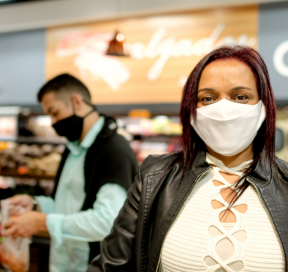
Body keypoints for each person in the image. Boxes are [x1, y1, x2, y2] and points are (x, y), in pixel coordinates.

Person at [87, 45, 288, 272]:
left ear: (264, 107)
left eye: (240, 96)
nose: (222, 109)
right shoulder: (154, 179)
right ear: (191, 109)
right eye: (208, 98)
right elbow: (110, 266)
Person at [4, 74, 138, 272]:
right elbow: (70, 206)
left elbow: (108, 221)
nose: (53, 122)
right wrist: (36, 205)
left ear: (76, 101)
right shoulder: (73, 148)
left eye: (55, 113)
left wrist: (43, 223)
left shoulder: (113, 150)